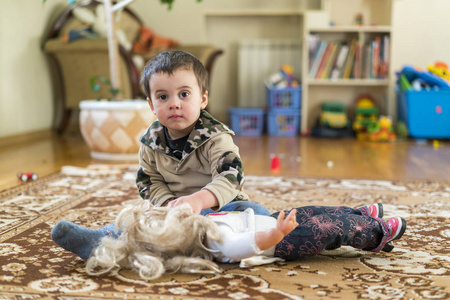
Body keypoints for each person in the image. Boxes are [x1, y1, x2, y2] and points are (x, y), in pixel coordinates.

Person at [51, 50, 269, 260]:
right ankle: (100, 242)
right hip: (170, 214)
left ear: (203, 99)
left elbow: (230, 177)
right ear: (151, 105)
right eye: (163, 96)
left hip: (218, 210)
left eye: (184, 94)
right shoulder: (150, 141)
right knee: (135, 220)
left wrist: (197, 201)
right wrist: (168, 206)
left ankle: (241, 241)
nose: (174, 103)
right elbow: (149, 181)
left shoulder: (217, 137)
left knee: (255, 213)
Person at [85, 201, 407, 280]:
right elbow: (247, 245)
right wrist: (275, 234)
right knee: (326, 229)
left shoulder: (204, 221)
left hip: (274, 219)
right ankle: (375, 234)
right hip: (279, 240)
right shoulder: (213, 242)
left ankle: (360, 215)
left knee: (314, 210)